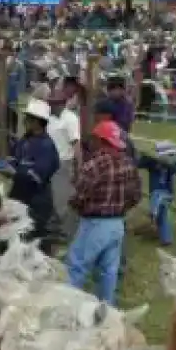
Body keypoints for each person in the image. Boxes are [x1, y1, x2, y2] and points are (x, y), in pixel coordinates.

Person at [66, 120, 142, 304]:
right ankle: (107, 312)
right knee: (108, 272)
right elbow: (136, 196)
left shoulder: (94, 166)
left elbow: (78, 196)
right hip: (117, 224)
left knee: (77, 267)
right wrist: (121, 209)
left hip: (94, 223)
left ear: (100, 140)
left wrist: (76, 206)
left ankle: (66, 308)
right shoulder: (129, 164)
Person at [0, 98, 60, 253]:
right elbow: (15, 160)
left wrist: (16, 173)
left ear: (38, 122)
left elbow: (39, 176)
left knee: (34, 241)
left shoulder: (46, 146)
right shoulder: (25, 140)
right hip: (18, 196)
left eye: (29, 118)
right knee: (14, 237)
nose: (25, 121)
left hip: (36, 201)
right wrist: (7, 167)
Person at [46, 81, 81, 242]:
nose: (50, 106)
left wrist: (78, 167)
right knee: (51, 198)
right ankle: (54, 229)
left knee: (63, 200)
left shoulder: (70, 119)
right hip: (49, 162)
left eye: (53, 103)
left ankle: (67, 233)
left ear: (61, 104)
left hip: (63, 163)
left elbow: (76, 145)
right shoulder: (49, 119)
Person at [139, 141, 176, 247]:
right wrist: (147, 156)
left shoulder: (171, 165)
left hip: (163, 193)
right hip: (161, 193)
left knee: (161, 215)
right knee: (162, 216)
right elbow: (139, 163)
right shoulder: (152, 162)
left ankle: (165, 238)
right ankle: (163, 236)